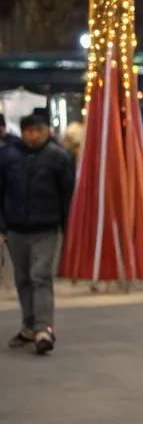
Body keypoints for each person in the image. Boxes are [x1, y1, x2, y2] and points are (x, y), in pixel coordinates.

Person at [0, 110, 75, 355]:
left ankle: (45, 329)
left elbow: (67, 195)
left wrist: (67, 227)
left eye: (37, 131)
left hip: (46, 227)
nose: (32, 136)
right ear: (22, 132)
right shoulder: (8, 156)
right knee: (22, 278)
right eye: (28, 131)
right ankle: (29, 326)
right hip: (16, 228)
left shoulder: (58, 157)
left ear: (46, 131)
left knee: (40, 276)